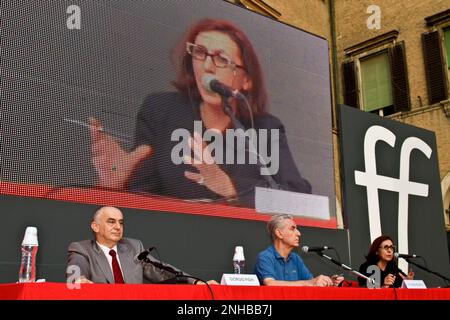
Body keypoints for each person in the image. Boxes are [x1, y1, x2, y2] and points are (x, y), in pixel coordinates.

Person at [89, 18, 311, 207]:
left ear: (246, 79)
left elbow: (299, 197)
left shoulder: (266, 128)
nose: (207, 66)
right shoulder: (161, 110)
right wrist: (115, 187)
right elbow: (143, 199)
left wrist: (230, 187)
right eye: (200, 53)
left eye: (221, 59)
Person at [66, 206, 201, 284]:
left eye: (121, 222)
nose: (118, 227)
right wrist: (78, 280)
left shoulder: (134, 247)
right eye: (111, 222)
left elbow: (161, 272)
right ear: (95, 226)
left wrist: (194, 282)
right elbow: (75, 272)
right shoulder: (81, 248)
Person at [255, 214, 344, 286]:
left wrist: (330, 282)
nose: (299, 233)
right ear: (279, 233)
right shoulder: (265, 257)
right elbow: (271, 284)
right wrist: (309, 283)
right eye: (292, 229)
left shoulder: (295, 258)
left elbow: (311, 282)